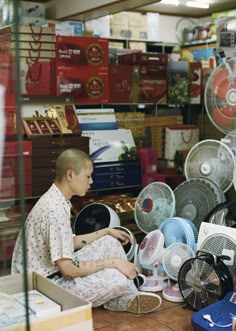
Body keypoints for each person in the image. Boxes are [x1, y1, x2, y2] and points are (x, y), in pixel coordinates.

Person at [11, 148, 162, 314]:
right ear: (70, 175)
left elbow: (67, 242)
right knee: (116, 276)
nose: (91, 182)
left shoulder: (57, 199)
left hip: (53, 272)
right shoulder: (54, 210)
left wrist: (106, 232)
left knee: (110, 242)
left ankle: (125, 295)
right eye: (88, 176)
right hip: (43, 288)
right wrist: (113, 262)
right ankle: (124, 296)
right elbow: (68, 270)